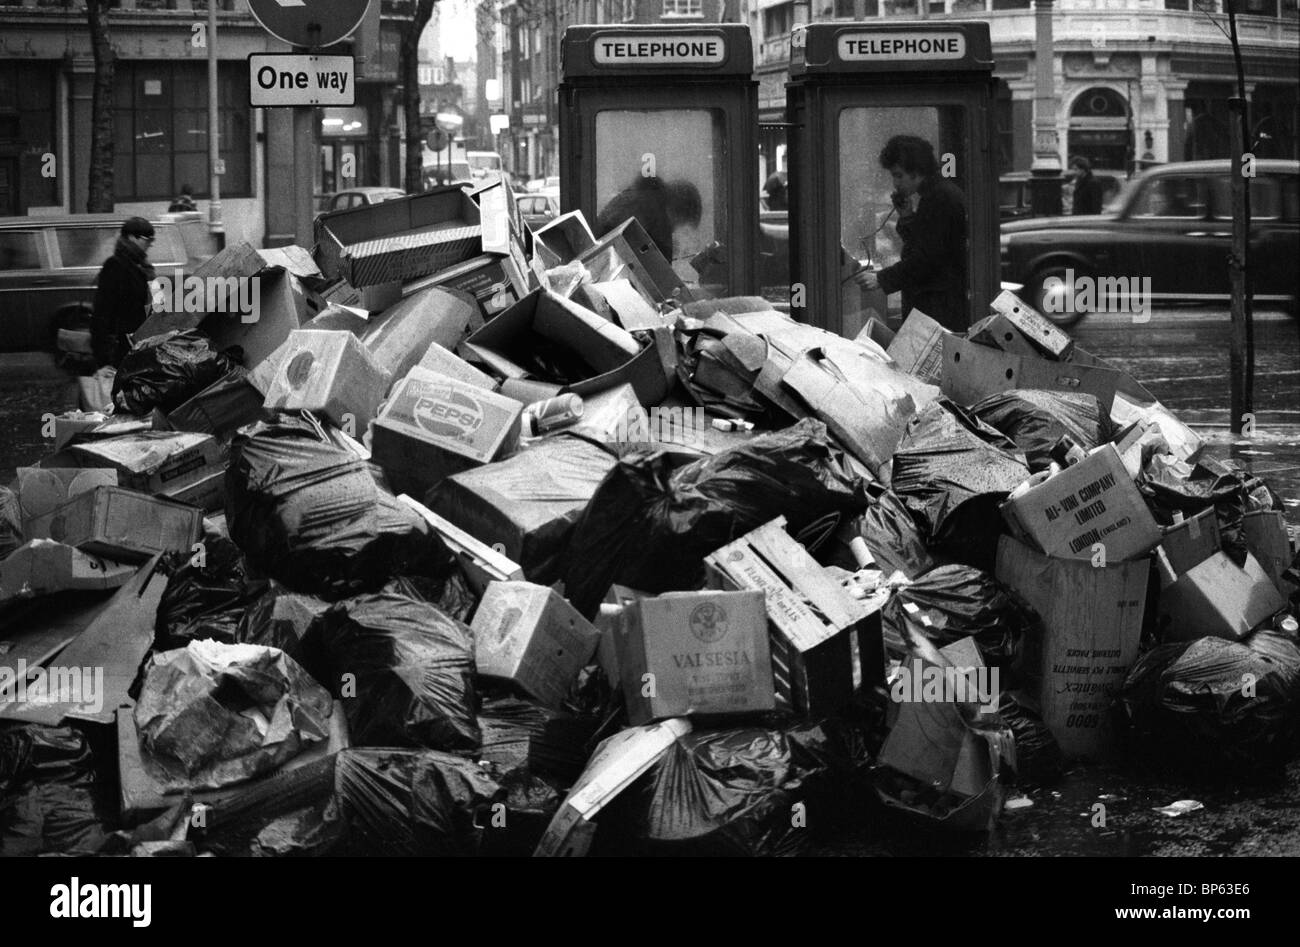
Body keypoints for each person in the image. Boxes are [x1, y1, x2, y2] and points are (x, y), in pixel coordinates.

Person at [854, 135, 968, 331]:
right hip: (935, 305)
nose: (895, 183)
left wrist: (881, 279)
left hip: (937, 308)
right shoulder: (935, 195)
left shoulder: (940, 199)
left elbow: (926, 259)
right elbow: (923, 245)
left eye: (899, 175)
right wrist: (907, 217)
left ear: (916, 172)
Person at [91, 217, 156, 369]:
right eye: (147, 239)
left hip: (142, 341)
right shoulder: (115, 266)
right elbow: (102, 312)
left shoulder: (144, 266)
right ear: (131, 237)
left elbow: (157, 301)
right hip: (122, 345)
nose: (150, 244)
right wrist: (103, 356)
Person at [594, 176, 703, 261]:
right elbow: (660, 273)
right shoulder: (655, 214)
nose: (672, 231)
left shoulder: (638, 197)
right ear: (678, 213)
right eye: (678, 225)